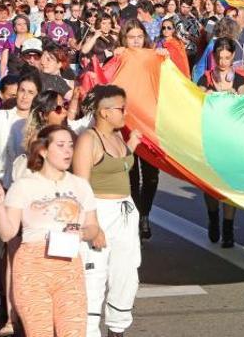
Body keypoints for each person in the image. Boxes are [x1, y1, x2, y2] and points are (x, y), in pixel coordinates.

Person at [0, 125, 101, 337]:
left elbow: (93, 227)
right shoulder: (24, 186)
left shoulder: (81, 185)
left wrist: (82, 233)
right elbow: (7, 233)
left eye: (70, 145)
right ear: (43, 150)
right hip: (32, 269)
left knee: (75, 333)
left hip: (69, 268)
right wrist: (0, 206)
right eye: (60, 146)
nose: (68, 151)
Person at [73, 85, 143, 337]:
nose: (125, 113)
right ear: (104, 112)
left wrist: (131, 147)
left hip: (125, 211)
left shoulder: (118, 136)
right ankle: (89, 331)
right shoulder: (88, 139)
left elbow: (119, 168)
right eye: (121, 108)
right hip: (99, 212)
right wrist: (92, 224)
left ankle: (118, 329)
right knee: (94, 276)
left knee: (125, 274)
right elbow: (80, 186)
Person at [197, 39, 244, 248]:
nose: (223, 61)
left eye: (227, 57)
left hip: (231, 141)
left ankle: (228, 227)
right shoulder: (205, 78)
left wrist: (237, 98)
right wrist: (205, 96)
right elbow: (196, 104)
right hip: (211, 139)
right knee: (210, 185)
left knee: (229, 186)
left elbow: (243, 111)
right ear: (214, 57)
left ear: (233, 57)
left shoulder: (240, 80)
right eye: (219, 57)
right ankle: (213, 217)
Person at [117, 19, 161, 240]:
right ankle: (135, 217)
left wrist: (164, 59)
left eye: (139, 37)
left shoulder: (153, 57)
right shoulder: (119, 57)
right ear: (124, 39)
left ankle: (145, 214)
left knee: (152, 175)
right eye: (131, 37)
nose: (135, 41)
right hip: (127, 125)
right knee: (131, 174)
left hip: (150, 125)